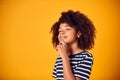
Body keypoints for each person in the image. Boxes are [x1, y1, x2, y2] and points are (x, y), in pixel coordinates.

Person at [50, 10, 96, 80]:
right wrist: (63, 55)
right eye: (60, 30)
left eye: (67, 29)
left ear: (78, 33)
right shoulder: (60, 58)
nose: (62, 32)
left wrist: (64, 56)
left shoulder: (86, 57)